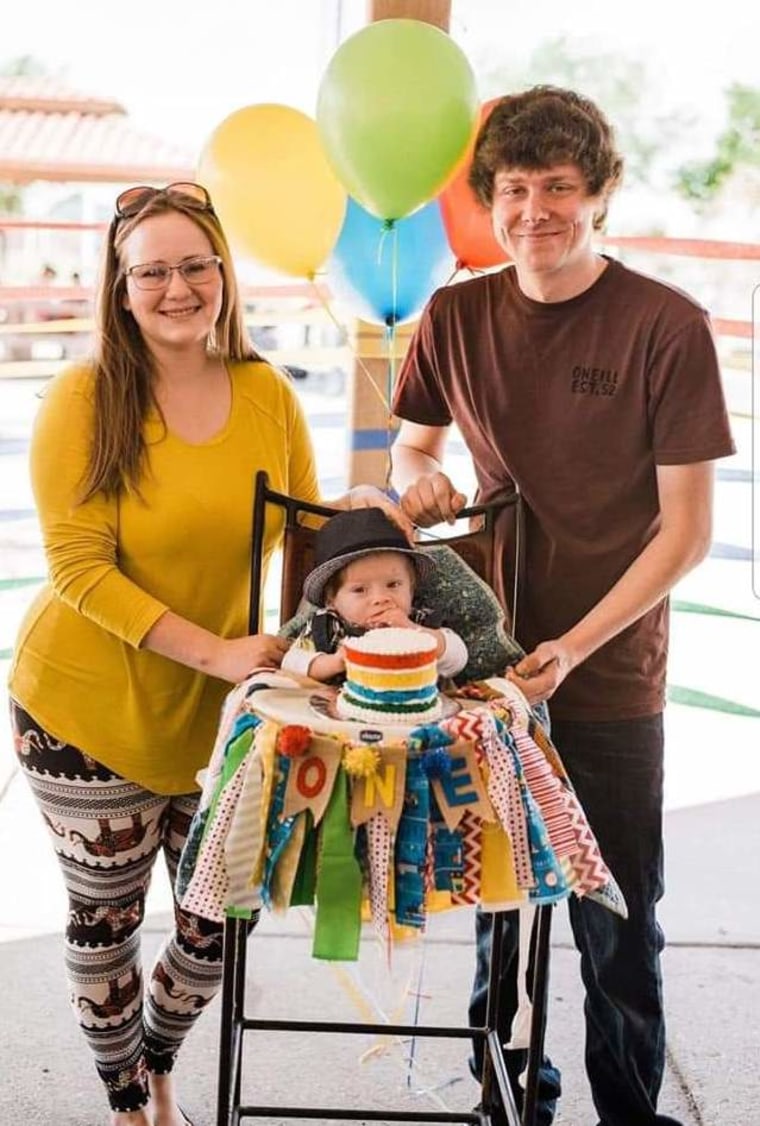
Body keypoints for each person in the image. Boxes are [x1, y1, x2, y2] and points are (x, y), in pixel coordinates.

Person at [7, 181, 407, 1126]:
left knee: (217, 922)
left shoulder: (267, 391)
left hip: (217, 713)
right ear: (121, 284)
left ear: (224, 273)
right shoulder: (85, 397)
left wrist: (364, 518)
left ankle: (157, 1063)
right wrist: (220, 653)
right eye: (153, 271)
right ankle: (132, 1105)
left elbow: (304, 537)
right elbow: (77, 569)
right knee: (104, 922)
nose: (177, 287)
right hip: (83, 708)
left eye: (196, 265)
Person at [390, 86, 735, 1126]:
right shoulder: (454, 313)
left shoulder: (664, 326)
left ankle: (628, 1109)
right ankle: (506, 1094)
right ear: (489, 199)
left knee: (615, 911)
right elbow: (411, 440)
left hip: (610, 664)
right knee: (494, 896)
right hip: (483, 662)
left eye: (558, 188)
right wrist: (422, 477)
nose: (533, 209)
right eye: (513, 188)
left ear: (598, 197)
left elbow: (685, 529)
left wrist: (577, 647)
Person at [281, 506, 468, 682]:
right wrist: (335, 662)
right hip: (335, 711)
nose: (380, 599)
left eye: (393, 584)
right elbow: (290, 664)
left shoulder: (419, 622)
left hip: (416, 710)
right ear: (332, 600)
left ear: (411, 588)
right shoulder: (328, 627)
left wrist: (414, 630)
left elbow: (458, 658)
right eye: (360, 590)